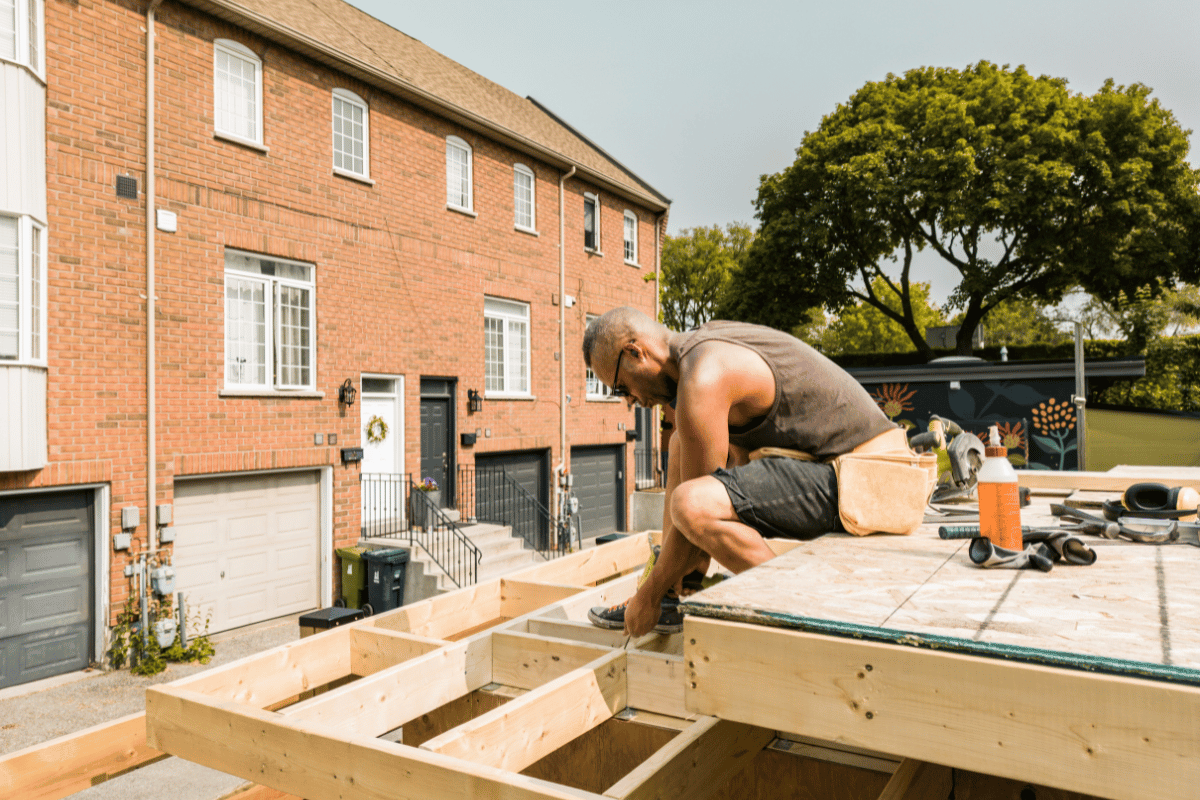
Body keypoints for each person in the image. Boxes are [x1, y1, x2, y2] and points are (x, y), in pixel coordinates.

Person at [581, 308, 903, 637]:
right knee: (680, 443)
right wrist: (672, 576)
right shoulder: (705, 346)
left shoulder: (704, 375)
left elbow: (694, 507)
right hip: (845, 471)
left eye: (622, 388)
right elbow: (728, 469)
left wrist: (647, 595)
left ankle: (806, 614)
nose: (630, 401)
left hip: (873, 481)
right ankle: (676, 595)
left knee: (692, 505)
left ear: (636, 352)